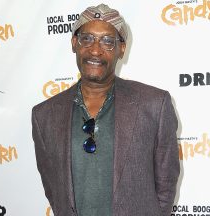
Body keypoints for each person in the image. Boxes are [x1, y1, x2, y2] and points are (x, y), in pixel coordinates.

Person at [32, 4, 180, 216]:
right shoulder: (44, 115)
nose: (95, 49)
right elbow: (53, 188)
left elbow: (166, 183)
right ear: (74, 43)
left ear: (121, 49)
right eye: (87, 38)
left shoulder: (154, 104)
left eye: (108, 41)